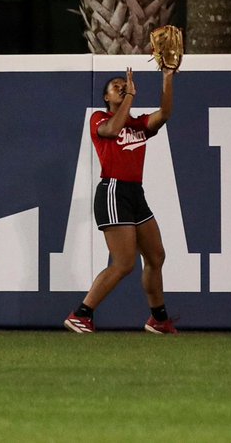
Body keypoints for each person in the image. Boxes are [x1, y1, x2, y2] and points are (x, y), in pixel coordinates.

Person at [64, 66, 178, 334]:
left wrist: (167, 77)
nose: (121, 87)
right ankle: (81, 313)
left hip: (135, 193)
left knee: (156, 256)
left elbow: (165, 114)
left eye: (123, 84)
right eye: (116, 86)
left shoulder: (138, 125)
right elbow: (113, 130)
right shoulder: (99, 118)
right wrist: (130, 97)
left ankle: (158, 319)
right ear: (106, 98)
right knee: (124, 263)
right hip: (113, 191)